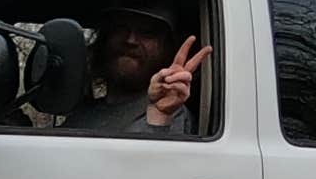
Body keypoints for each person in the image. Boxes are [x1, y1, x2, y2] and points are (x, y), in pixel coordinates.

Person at [66, 7, 214, 135]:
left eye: (147, 32)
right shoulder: (83, 113)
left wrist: (159, 117)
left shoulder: (170, 111)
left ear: (168, 48)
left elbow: (153, 164)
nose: (130, 40)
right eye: (121, 28)